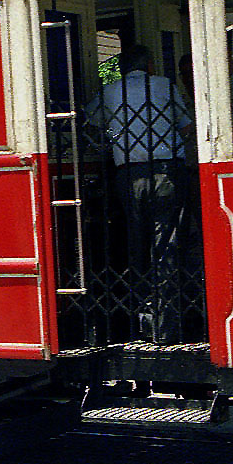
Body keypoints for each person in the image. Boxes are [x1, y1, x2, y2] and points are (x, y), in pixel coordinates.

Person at [87, 42, 192, 340]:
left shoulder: (109, 92)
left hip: (129, 175)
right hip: (167, 172)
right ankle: (166, 325)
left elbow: (92, 123)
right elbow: (185, 127)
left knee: (136, 242)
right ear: (149, 66)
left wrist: (117, 134)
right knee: (166, 245)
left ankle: (136, 319)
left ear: (120, 68)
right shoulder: (166, 86)